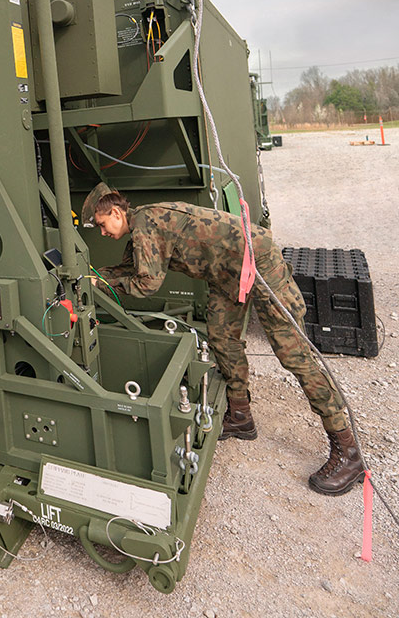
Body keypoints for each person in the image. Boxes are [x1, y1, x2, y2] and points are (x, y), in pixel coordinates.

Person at [93, 191, 364, 496]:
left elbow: (146, 284)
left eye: (103, 225)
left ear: (116, 212)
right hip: (225, 273)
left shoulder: (146, 224)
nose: (103, 233)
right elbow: (130, 270)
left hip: (257, 261)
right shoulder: (141, 228)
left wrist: (104, 283)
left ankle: (348, 451)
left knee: (294, 354)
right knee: (222, 337)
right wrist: (92, 277)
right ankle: (240, 416)